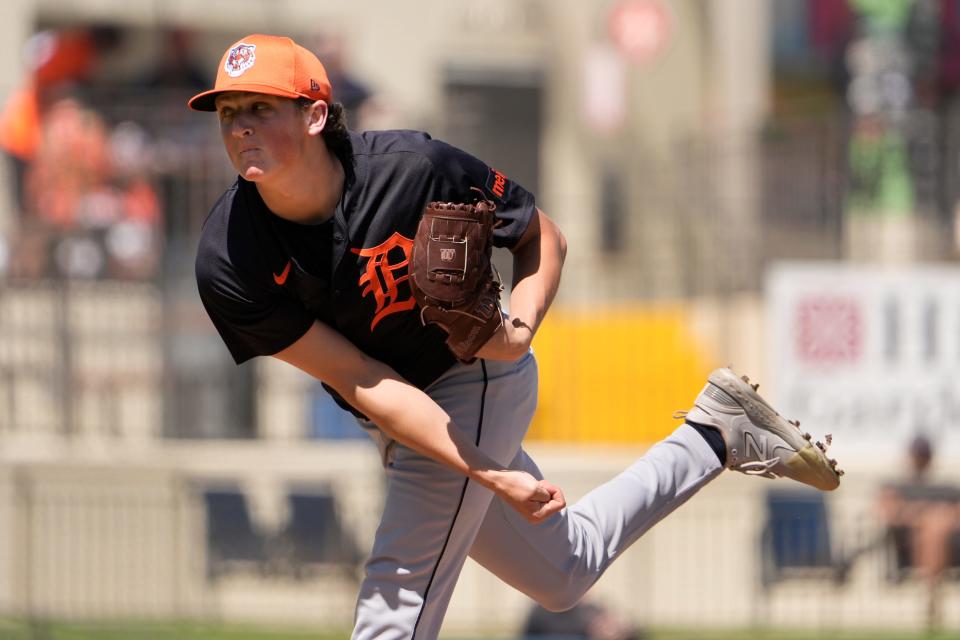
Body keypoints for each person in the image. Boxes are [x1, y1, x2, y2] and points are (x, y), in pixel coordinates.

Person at [189, 34, 843, 640]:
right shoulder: (229, 257)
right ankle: (715, 434)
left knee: (397, 595)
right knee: (564, 573)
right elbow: (362, 378)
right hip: (396, 406)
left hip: (472, 374)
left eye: (261, 107)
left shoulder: (412, 169)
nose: (240, 124)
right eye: (227, 112)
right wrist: (489, 472)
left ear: (313, 114)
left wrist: (519, 331)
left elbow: (541, 236)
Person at [876, 433, 960, 630]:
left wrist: (930, 516)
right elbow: (887, 513)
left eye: (924, 455)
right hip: (906, 547)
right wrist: (922, 517)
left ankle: (931, 589)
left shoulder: (947, 488)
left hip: (950, 547)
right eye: (918, 454)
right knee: (933, 526)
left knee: (936, 528)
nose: (920, 459)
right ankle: (933, 590)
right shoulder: (895, 486)